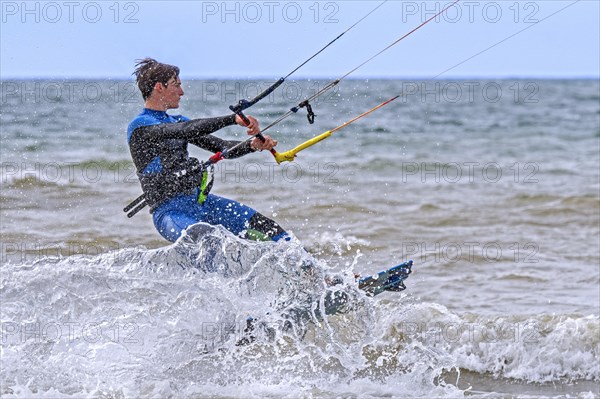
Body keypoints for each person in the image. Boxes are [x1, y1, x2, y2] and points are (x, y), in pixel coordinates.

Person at [126, 58, 289, 243]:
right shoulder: (141, 127)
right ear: (159, 87)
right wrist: (232, 119)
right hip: (171, 213)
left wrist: (253, 145)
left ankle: (311, 271)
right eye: (176, 85)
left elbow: (222, 146)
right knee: (205, 238)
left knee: (268, 228)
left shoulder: (177, 121)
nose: (181, 92)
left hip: (201, 202)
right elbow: (186, 130)